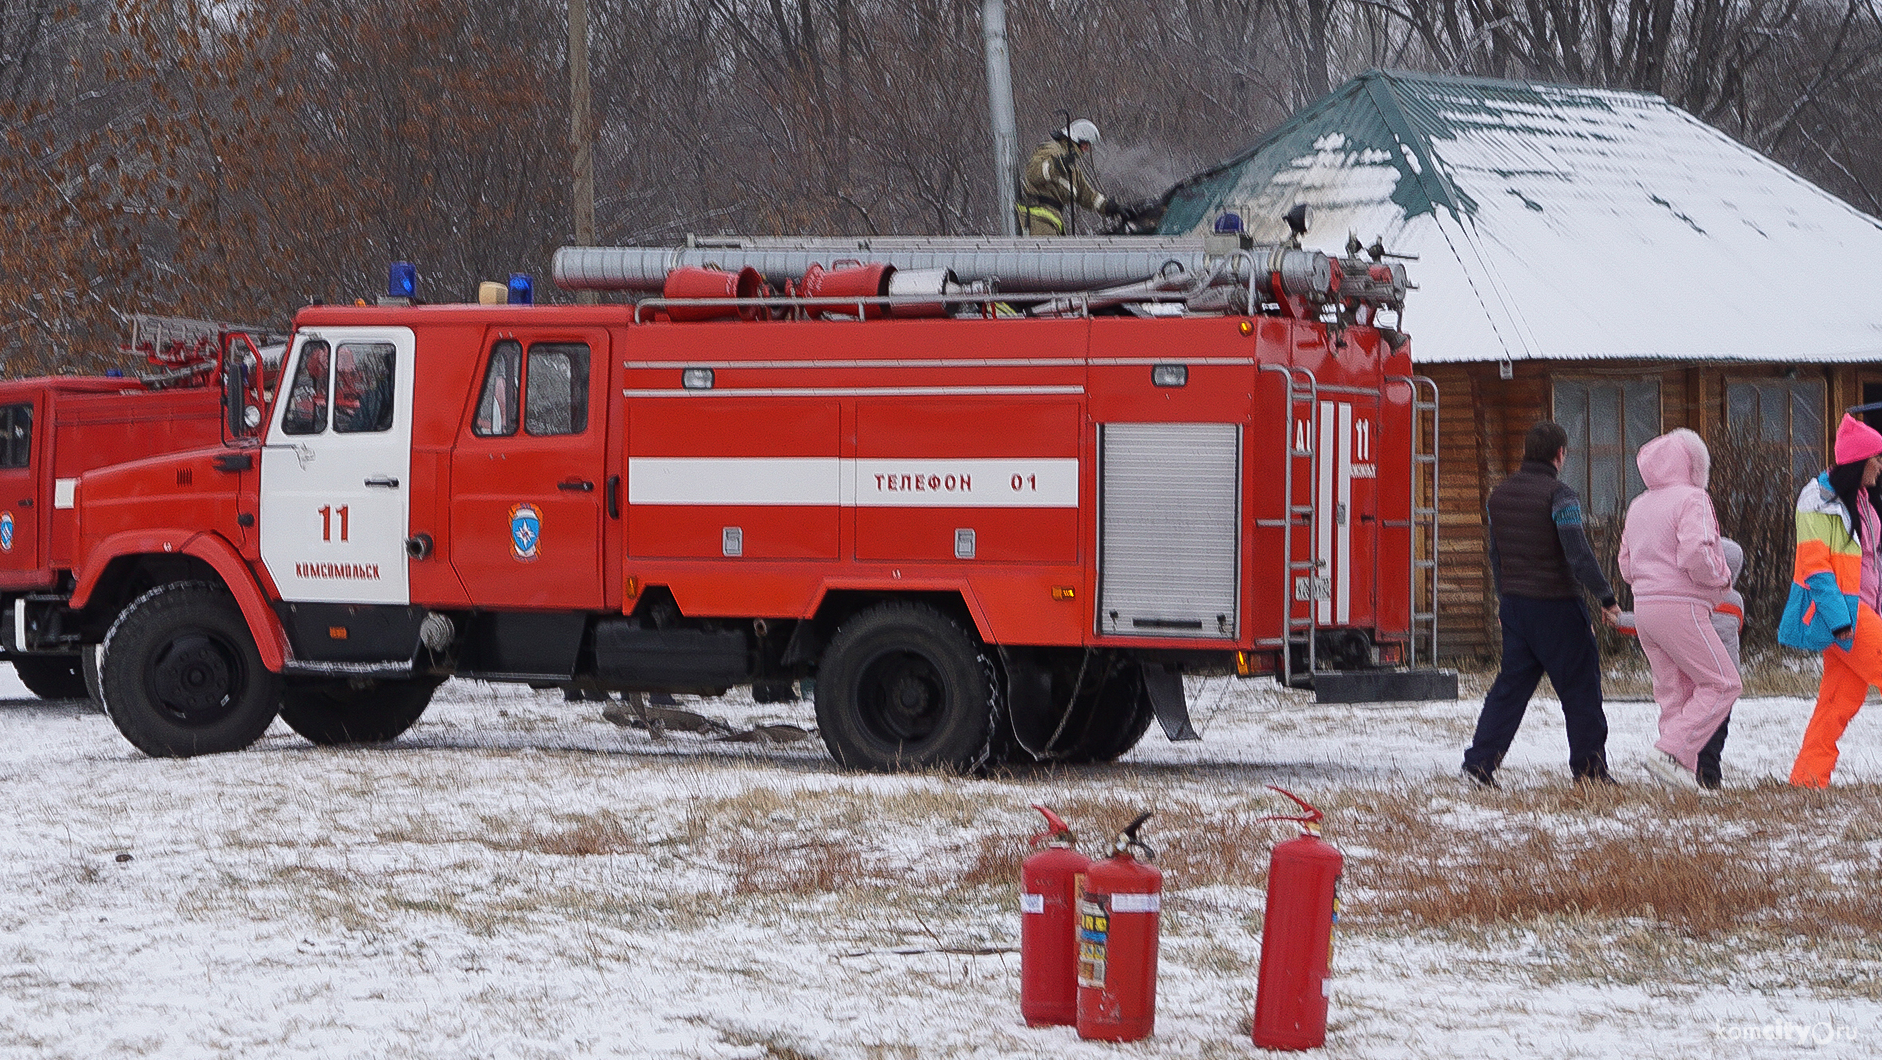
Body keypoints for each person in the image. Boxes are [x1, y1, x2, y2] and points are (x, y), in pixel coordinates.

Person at [1462, 421, 1622, 788]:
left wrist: (1505, 602)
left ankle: (1479, 764)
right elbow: (1578, 553)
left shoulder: (1498, 497)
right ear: (1560, 454)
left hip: (1517, 607)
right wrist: (1606, 597)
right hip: (1557, 606)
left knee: (1510, 689)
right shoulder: (1560, 496)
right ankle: (1590, 770)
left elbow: (1495, 556)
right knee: (1581, 689)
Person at [1616, 430, 1737, 794]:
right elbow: (1696, 554)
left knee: (1674, 693)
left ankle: (1677, 775)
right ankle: (1669, 753)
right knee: (1723, 682)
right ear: (1695, 465)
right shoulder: (1694, 498)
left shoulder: (1639, 504)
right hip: (1683, 606)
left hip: (1645, 608)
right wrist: (1721, 579)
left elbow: (1625, 563)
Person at [1781, 414, 1882, 786]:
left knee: (1837, 704)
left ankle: (1807, 778)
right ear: (1859, 461)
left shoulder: (1863, 501)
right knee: (1837, 703)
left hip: (1862, 611)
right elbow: (1815, 567)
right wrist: (1840, 620)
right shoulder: (1818, 500)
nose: (1880, 465)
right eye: (1877, 458)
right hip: (1846, 616)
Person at [1015, 119, 1121, 236]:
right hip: (1038, 219)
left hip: (1052, 220)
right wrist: (1057, 165)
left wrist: (1110, 207)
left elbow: (1086, 195)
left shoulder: (1073, 170)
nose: (1086, 149)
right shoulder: (1052, 150)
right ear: (1075, 140)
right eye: (1085, 144)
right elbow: (1033, 174)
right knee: (1045, 255)